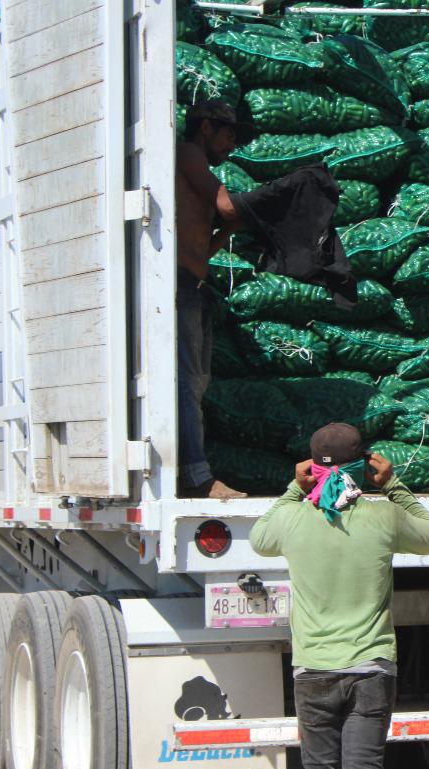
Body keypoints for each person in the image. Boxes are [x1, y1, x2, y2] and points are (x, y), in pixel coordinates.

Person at [250, 423, 429, 769]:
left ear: (312, 468)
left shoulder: (291, 519)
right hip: (371, 671)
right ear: (364, 465)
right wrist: (393, 485)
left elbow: (259, 538)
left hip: (312, 671)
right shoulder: (384, 516)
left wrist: (294, 489)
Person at [176, 99, 253, 498]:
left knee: (197, 381)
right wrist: (258, 203)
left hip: (193, 285)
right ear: (205, 128)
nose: (231, 146)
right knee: (188, 380)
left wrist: (229, 229)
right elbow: (225, 204)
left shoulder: (196, 170)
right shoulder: (188, 154)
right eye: (228, 135)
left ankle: (192, 471)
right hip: (178, 285)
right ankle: (197, 476)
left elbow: (202, 250)